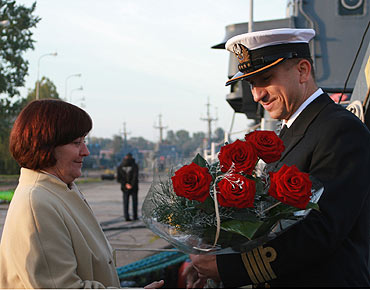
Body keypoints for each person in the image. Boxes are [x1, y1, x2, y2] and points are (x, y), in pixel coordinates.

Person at [187, 28, 370, 288]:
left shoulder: (340, 130)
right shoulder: (289, 131)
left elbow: (320, 231)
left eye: (265, 79)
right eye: (251, 83)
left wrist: (230, 267)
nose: (257, 94)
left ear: (303, 70)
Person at [0, 99, 164, 289]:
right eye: (77, 143)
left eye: (84, 142)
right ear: (45, 146)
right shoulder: (36, 205)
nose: (85, 151)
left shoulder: (60, 189)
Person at [117, 153, 139, 221]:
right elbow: (135, 177)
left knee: (125, 202)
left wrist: (125, 184)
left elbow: (119, 178)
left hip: (124, 187)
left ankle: (126, 217)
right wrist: (131, 185)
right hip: (134, 187)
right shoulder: (135, 165)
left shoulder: (120, 166)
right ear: (132, 157)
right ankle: (135, 216)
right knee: (134, 202)